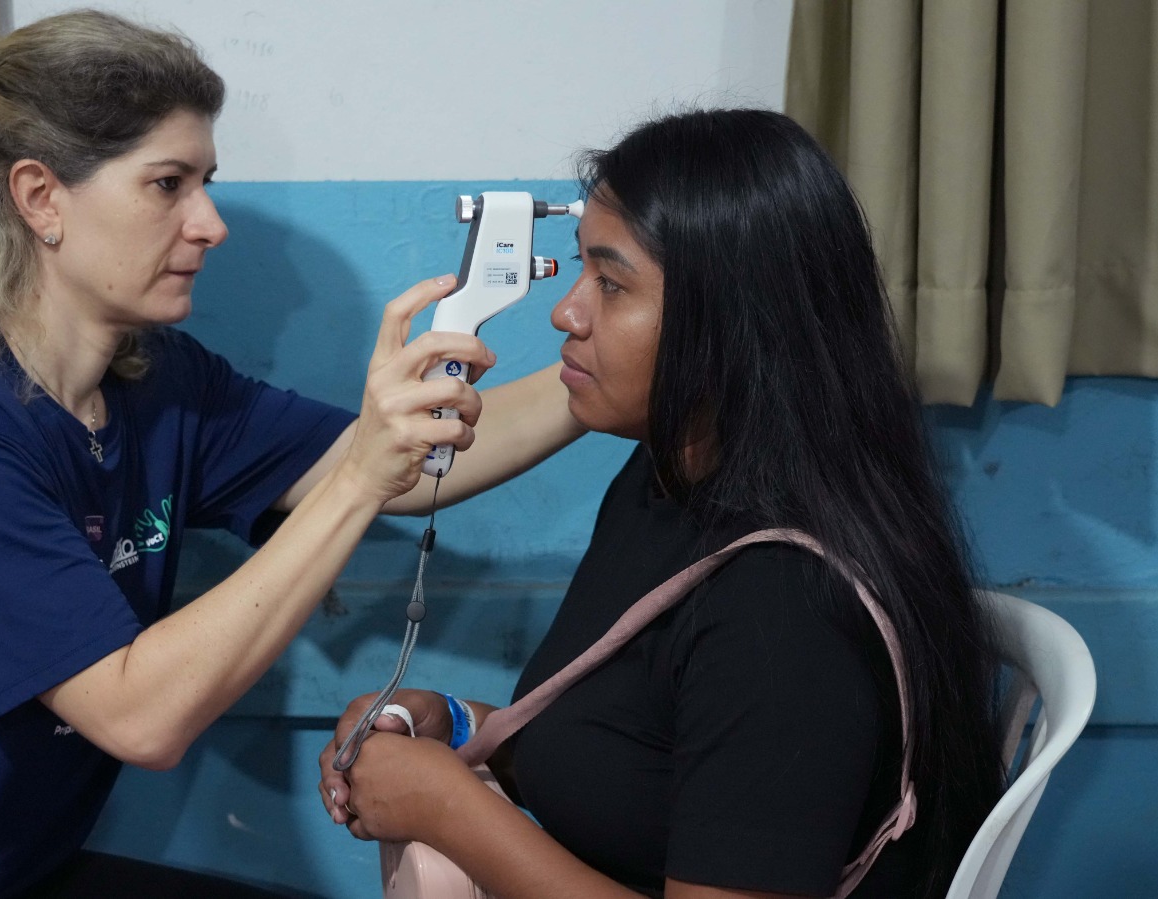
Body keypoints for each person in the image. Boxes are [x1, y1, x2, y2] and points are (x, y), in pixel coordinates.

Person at [0, 11, 581, 899]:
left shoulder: (158, 382)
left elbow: (405, 464)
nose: (209, 223)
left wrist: (611, 380)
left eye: (207, 182)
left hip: (7, 875)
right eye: (168, 184)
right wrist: (358, 476)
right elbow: (139, 715)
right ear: (40, 199)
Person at [319, 108, 1006, 899]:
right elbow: (649, 751)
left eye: (611, 284)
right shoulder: (665, 480)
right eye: (581, 272)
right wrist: (465, 726)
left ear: (732, 320)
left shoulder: (783, 607)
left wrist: (448, 809)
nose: (567, 313)